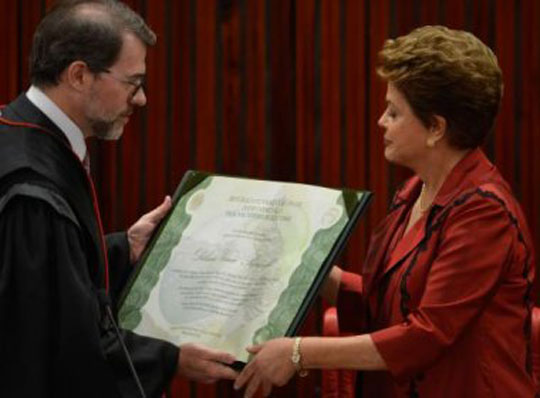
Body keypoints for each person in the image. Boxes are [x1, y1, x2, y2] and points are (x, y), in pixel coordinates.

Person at [234, 25, 536, 397]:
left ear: (435, 128)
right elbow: (392, 305)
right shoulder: (414, 191)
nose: (381, 121)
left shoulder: (483, 212)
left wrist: (298, 353)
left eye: (394, 112)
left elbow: (426, 334)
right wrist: (308, 268)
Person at [0, 1, 237, 397]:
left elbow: (46, 278)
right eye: (133, 82)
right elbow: (67, 350)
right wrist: (171, 359)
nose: (141, 99)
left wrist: (123, 248)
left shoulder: (21, 134)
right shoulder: (33, 192)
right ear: (79, 75)